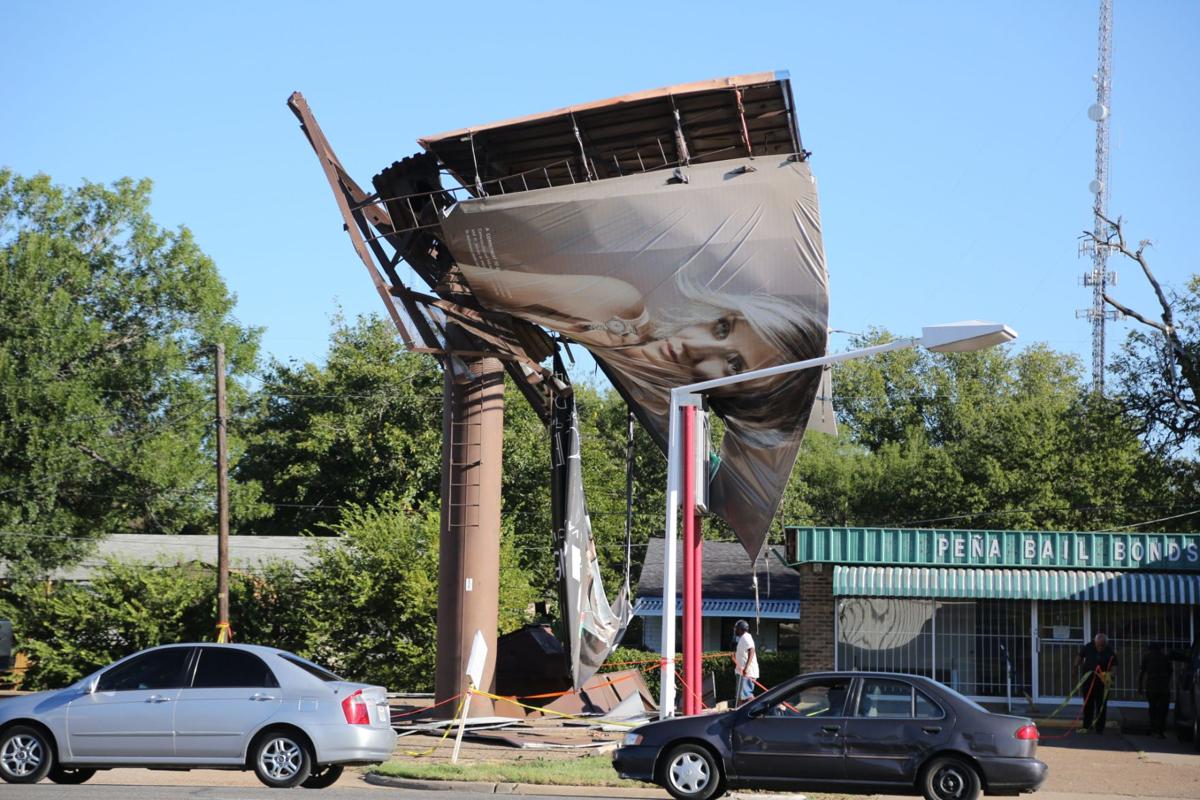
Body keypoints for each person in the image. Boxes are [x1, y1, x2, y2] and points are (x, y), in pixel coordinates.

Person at [1075, 632, 1118, 734]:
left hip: (1102, 682)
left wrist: (1110, 675)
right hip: (1088, 680)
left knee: (1101, 705)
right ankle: (1087, 726)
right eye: (1098, 645)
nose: (1100, 648)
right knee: (1088, 704)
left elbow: (1115, 666)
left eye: (1102, 646)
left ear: (1105, 644)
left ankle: (1099, 729)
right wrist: (1075, 667)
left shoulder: (1110, 651)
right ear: (1095, 642)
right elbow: (1079, 656)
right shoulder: (1088, 647)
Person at [1139, 641, 1173, 738]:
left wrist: (1140, 687)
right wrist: (1166, 681)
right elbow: (1170, 671)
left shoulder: (1147, 657)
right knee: (1163, 710)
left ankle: (1154, 728)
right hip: (1163, 688)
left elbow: (1142, 673)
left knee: (1153, 708)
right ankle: (1160, 730)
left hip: (1151, 687)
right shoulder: (1165, 658)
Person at [733, 619, 759, 707]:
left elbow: (751, 650)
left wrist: (746, 668)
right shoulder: (743, 638)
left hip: (747, 673)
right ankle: (737, 714)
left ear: (741, 629)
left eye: (736, 628)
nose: (735, 630)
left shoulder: (746, 637)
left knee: (746, 695)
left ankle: (759, 708)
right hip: (742, 672)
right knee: (740, 696)